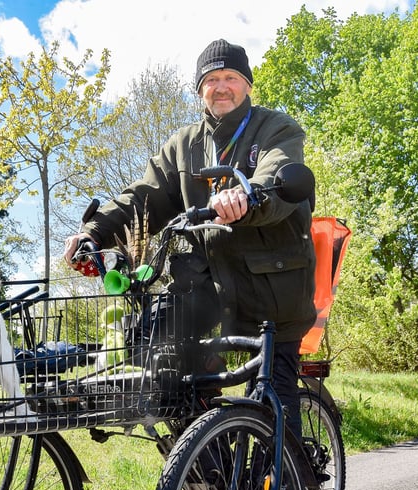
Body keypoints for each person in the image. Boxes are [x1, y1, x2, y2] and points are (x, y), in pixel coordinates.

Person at [62, 39, 316, 442]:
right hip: (207, 281)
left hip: (274, 283)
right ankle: (210, 460)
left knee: (273, 395)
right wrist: (94, 232)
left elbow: (278, 170)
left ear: (247, 85)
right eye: (211, 79)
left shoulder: (276, 128)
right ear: (200, 89)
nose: (221, 87)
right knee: (153, 344)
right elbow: (143, 196)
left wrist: (247, 196)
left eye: (231, 77)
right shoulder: (185, 145)